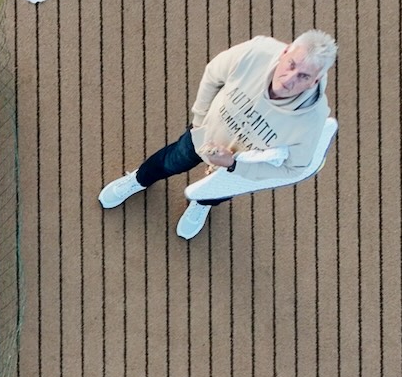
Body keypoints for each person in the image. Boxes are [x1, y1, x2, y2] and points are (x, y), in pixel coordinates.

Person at [99, 30, 340, 238]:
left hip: (234, 169)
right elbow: (214, 73)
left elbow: (294, 169)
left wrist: (235, 166)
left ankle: (202, 202)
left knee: (215, 193)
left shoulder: (313, 120)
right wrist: (200, 123)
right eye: (292, 65)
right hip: (203, 136)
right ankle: (139, 180)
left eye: (304, 76)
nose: (289, 79)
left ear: (315, 80)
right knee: (170, 161)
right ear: (286, 52)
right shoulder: (256, 52)